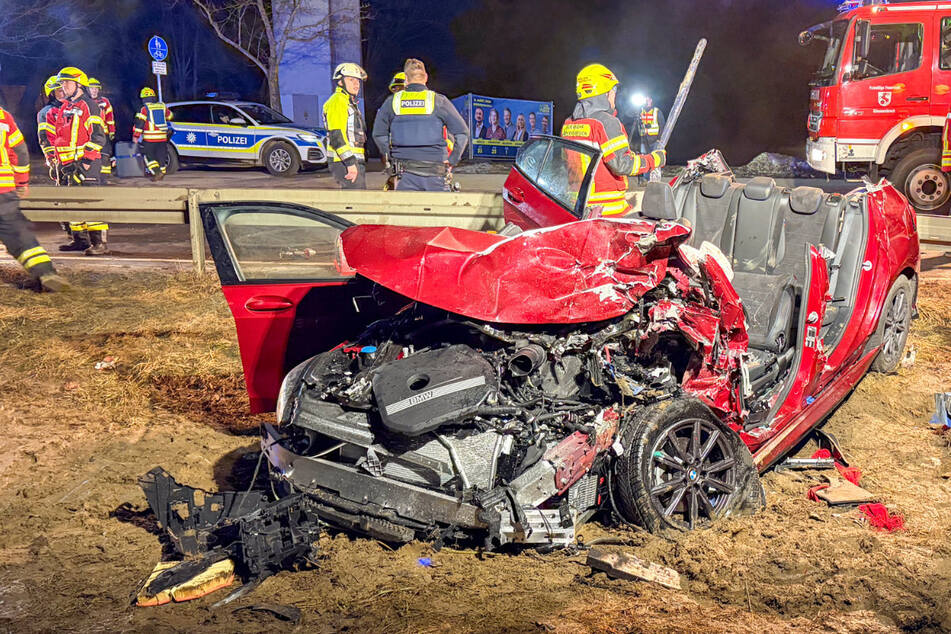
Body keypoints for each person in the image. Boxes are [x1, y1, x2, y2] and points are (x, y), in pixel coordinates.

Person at [561, 63, 666, 217]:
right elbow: (622, 165)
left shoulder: (569, 123)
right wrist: (655, 159)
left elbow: (565, 163)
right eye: (613, 90)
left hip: (577, 207)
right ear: (605, 93)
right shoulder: (606, 123)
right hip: (607, 210)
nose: (614, 95)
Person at [0, 105, 71, 291]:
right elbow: (20, 152)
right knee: (18, 235)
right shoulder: (3, 116)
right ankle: (45, 273)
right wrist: (21, 182)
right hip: (3, 190)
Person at [372, 58, 469, 191]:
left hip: (404, 173)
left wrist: (389, 156)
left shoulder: (392, 102)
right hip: (436, 172)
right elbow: (462, 133)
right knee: (438, 209)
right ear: (426, 78)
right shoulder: (438, 101)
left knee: (407, 210)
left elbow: (378, 133)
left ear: (406, 79)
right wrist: (452, 160)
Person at [42, 67, 110, 254]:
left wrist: (85, 162)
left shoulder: (89, 105)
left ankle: (99, 244)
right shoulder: (65, 107)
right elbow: (58, 138)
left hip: (85, 164)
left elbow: (98, 137)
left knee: (89, 202)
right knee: (70, 203)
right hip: (66, 165)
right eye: (62, 83)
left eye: (66, 82)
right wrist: (56, 163)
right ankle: (80, 240)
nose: (63, 86)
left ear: (79, 84)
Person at [323, 62, 368, 189]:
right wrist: (350, 163)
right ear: (340, 82)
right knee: (355, 202)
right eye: (351, 79)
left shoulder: (348, 102)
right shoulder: (337, 101)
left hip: (353, 161)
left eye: (358, 81)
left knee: (358, 201)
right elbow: (336, 135)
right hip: (344, 162)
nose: (356, 84)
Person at [133, 87, 172, 182]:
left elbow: (140, 123)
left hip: (149, 139)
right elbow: (170, 116)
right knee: (161, 156)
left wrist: (136, 136)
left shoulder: (144, 109)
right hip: (162, 138)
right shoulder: (162, 106)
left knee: (148, 157)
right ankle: (162, 173)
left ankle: (157, 172)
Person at [87, 78, 116, 181]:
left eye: (96, 88)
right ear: (87, 89)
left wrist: (112, 131)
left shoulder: (104, 101)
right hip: (89, 135)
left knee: (105, 155)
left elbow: (110, 117)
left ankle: (104, 178)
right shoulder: (85, 101)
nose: (94, 90)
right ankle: (92, 176)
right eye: (92, 88)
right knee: (91, 154)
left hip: (103, 133)